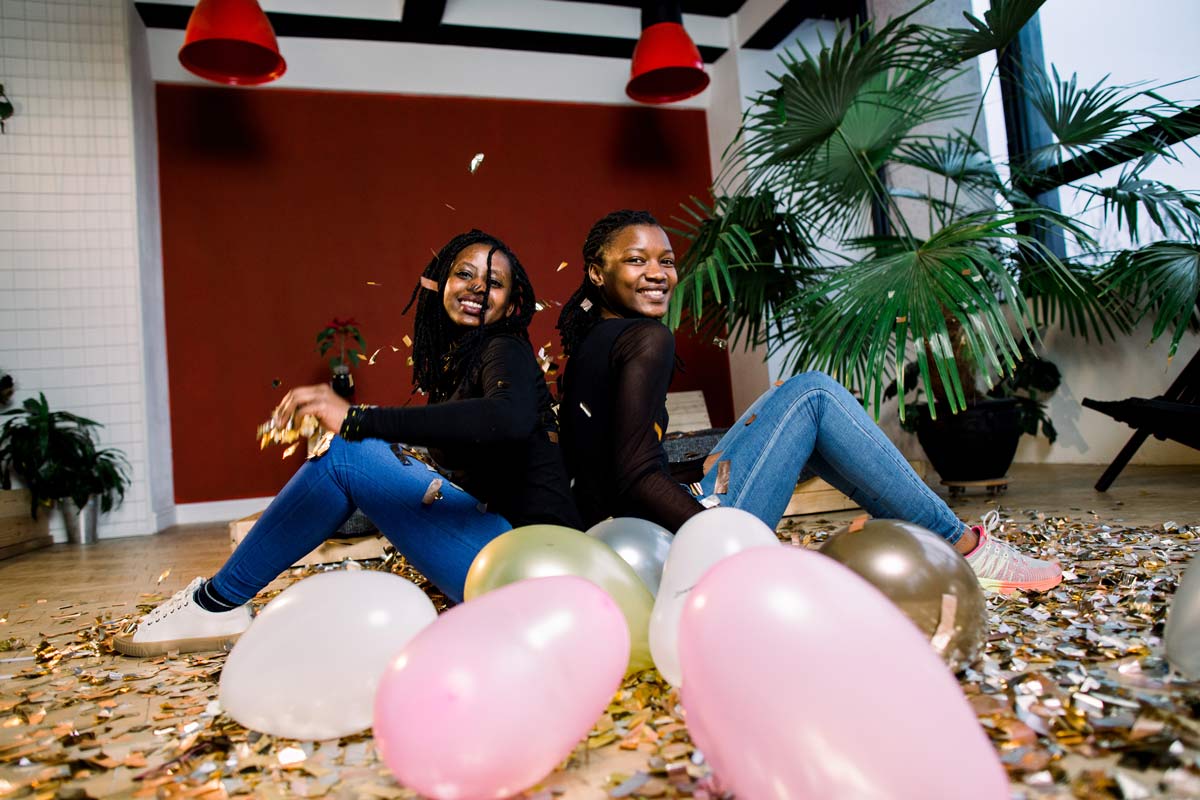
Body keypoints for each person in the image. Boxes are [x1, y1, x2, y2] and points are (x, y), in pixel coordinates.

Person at [116, 230, 581, 656]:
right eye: (465, 274)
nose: (478, 288)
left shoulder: (506, 349)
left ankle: (215, 603)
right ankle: (220, 600)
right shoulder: (460, 362)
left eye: (494, 282)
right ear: (439, 284)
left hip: (530, 575)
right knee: (351, 453)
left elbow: (509, 418)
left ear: (510, 301)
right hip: (508, 561)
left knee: (348, 451)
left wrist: (358, 419)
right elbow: (463, 438)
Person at [556, 209, 1061, 594]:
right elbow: (632, 473)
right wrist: (723, 534)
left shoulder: (591, 344)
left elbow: (615, 458)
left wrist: (696, 470)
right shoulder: (646, 340)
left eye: (665, 261)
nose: (657, 273)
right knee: (813, 394)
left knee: (787, 399)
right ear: (597, 273)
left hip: (631, 532)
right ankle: (967, 549)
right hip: (680, 543)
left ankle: (955, 544)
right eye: (635, 260)